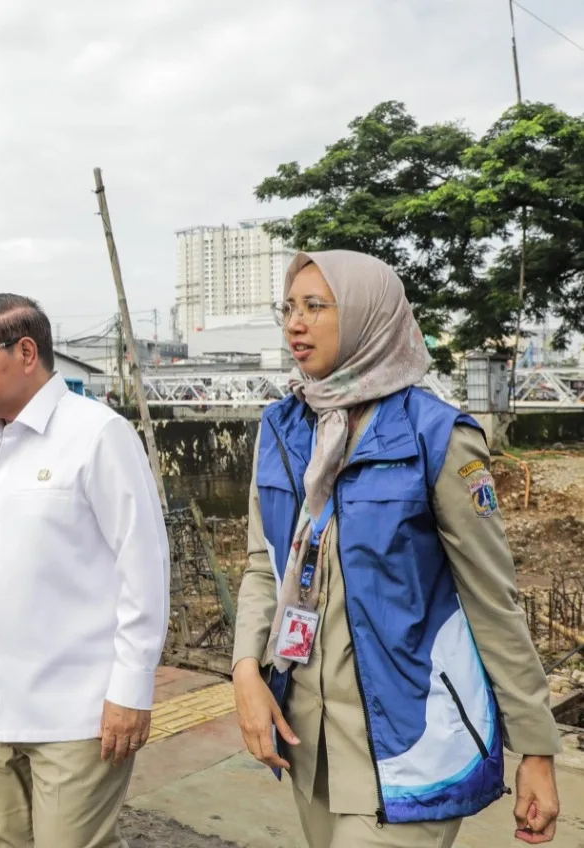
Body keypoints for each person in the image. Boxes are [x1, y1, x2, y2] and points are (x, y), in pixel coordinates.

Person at [231, 250, 562, 848]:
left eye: (314, 306)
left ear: (368, 315)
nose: (294, 323)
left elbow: (492, 600)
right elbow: (264, 566)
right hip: (312, 742)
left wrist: (536, 747)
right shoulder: (281, 428)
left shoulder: (437, 436)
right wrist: (246, 671)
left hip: (413, 738)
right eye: (288, 307)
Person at [0, 294, 171, 848]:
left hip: (79, 712)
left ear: (26, 352)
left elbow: (143, 567)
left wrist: (132, 688)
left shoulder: (97, 435)